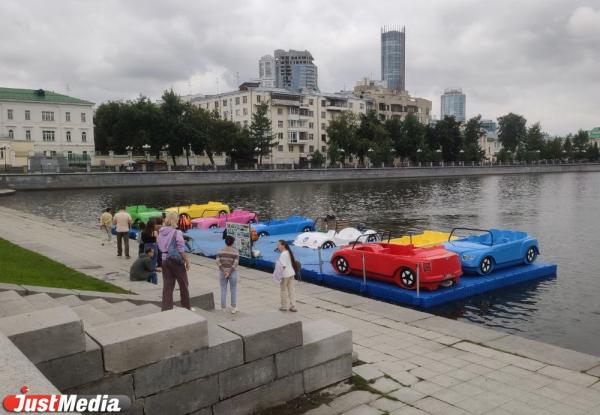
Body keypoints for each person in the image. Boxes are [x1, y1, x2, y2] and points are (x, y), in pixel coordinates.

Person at [157, 211, 191, 311]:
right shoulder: (177, 232)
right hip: (175, 260)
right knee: (184, 284)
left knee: (168, 285)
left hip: (164, 259)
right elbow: (181, 249)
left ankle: (166, 309)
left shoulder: (161, 232)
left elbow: (159, 245)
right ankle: (186, 307)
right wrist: (187, 261)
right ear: (175, 220)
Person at [216, 235, 239, 313]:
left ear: (225, 242)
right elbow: (235, 264)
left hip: (222, 272)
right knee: (233, 289)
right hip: (232, 273)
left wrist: (224, 271)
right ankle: (234, 307)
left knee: (223, 289)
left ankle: (223, 307)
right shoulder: (235, 252)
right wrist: (229, 272)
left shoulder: (220, 251)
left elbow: (218, 262)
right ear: (232, 243)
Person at [276, 240, 298, 312]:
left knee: (283, 290)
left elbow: (283, 266)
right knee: (292, 290)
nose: (277, 246)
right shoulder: (288, 252)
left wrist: (278, 275)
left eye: (278, 245)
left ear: (283, 245)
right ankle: (293, 306)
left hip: (285, 275)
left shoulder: (283, 254)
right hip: (291, 273)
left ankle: (284, 306)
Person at [141, 218, 159, 284]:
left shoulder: (143, 232)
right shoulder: (154, 232)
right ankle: (154, 281)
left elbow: (143, 241)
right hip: (153, 247)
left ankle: (147, 280)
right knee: (153, 265)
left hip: (146, 247)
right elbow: (157, 241)